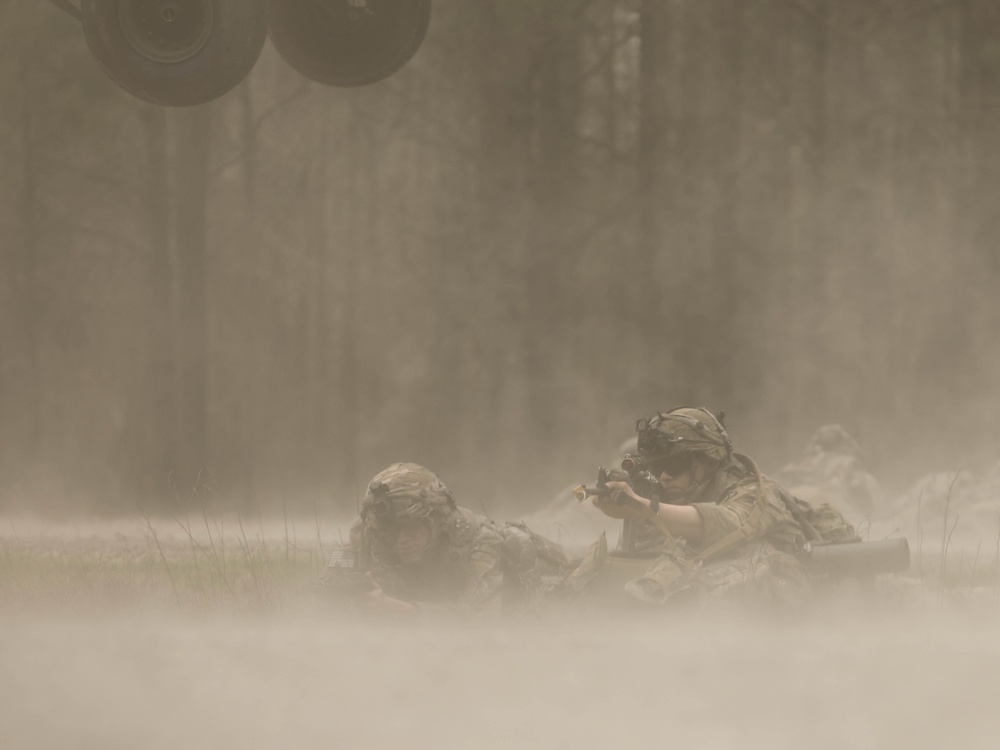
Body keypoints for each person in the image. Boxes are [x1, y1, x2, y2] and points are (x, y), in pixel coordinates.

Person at [592, 407, 856, 606]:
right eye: (656, 468)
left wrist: (645, 507)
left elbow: (726, 523)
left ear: (707, 461)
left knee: (754, 556)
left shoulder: (754, 492)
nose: (663, 477)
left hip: (791, 589)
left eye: (673, 466)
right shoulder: (677, 492)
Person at [337, 462, 582, 618]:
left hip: (552, 582)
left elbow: (478, 619)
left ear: (436, 519)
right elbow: (323, 589)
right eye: (392, 530)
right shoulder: (367, 534)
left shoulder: (479, 542)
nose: (402, 539)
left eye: (411, 528)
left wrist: (397, 609)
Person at [775, 424, 885, 518]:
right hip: (825, 503)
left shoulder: (802, 462)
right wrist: (880, 514)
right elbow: (867, 492)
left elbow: (777, 480)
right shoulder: (848, 463)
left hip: (790, 501)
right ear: (843, 443)